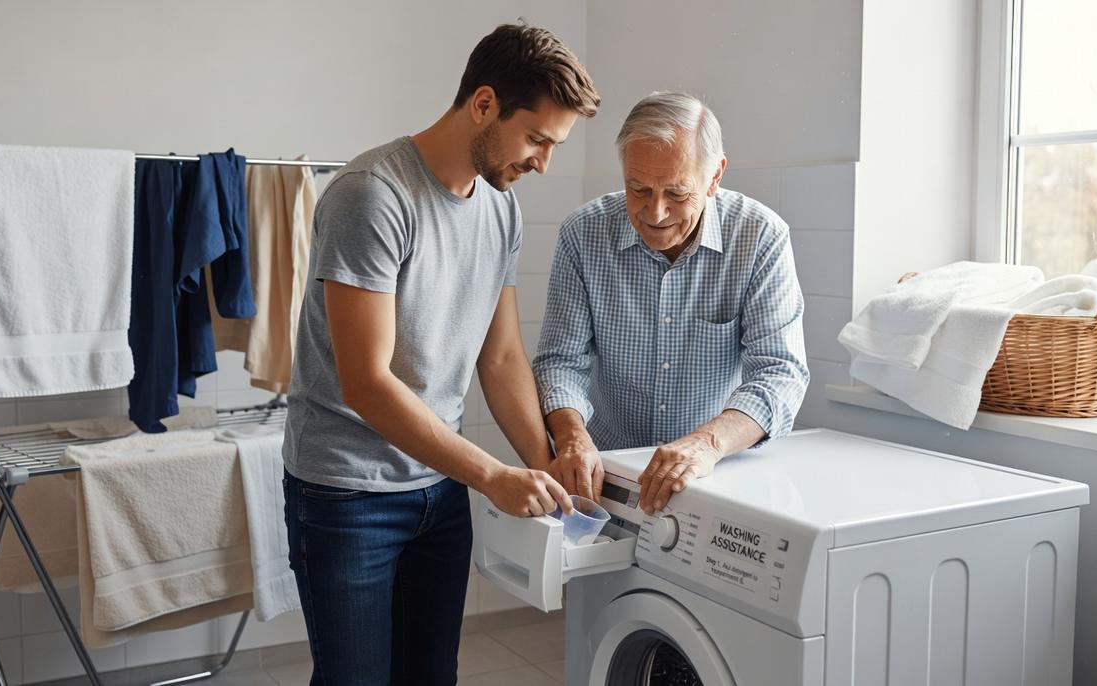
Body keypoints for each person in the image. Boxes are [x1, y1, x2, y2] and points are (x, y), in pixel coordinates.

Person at [281, 22, 599, 685]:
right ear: (484, 104)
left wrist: (548, 470)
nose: (544, 162)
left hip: (438, 491)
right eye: (538, 138)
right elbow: (366, 382)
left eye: (555, 146)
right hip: (348, 495)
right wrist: (492, 475)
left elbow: (503, 358)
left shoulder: (500, 211)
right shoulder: (372, 196)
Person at [533, 92, 809, 517]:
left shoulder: (760, 237)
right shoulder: (582, 234)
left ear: (714, 176)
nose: (655, 212)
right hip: (608, 476)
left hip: (712, 479)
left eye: (677, 193)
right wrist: (571, 437)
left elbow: (780, 373)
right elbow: (560, 361)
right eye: (638, 189)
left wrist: (706, 444)